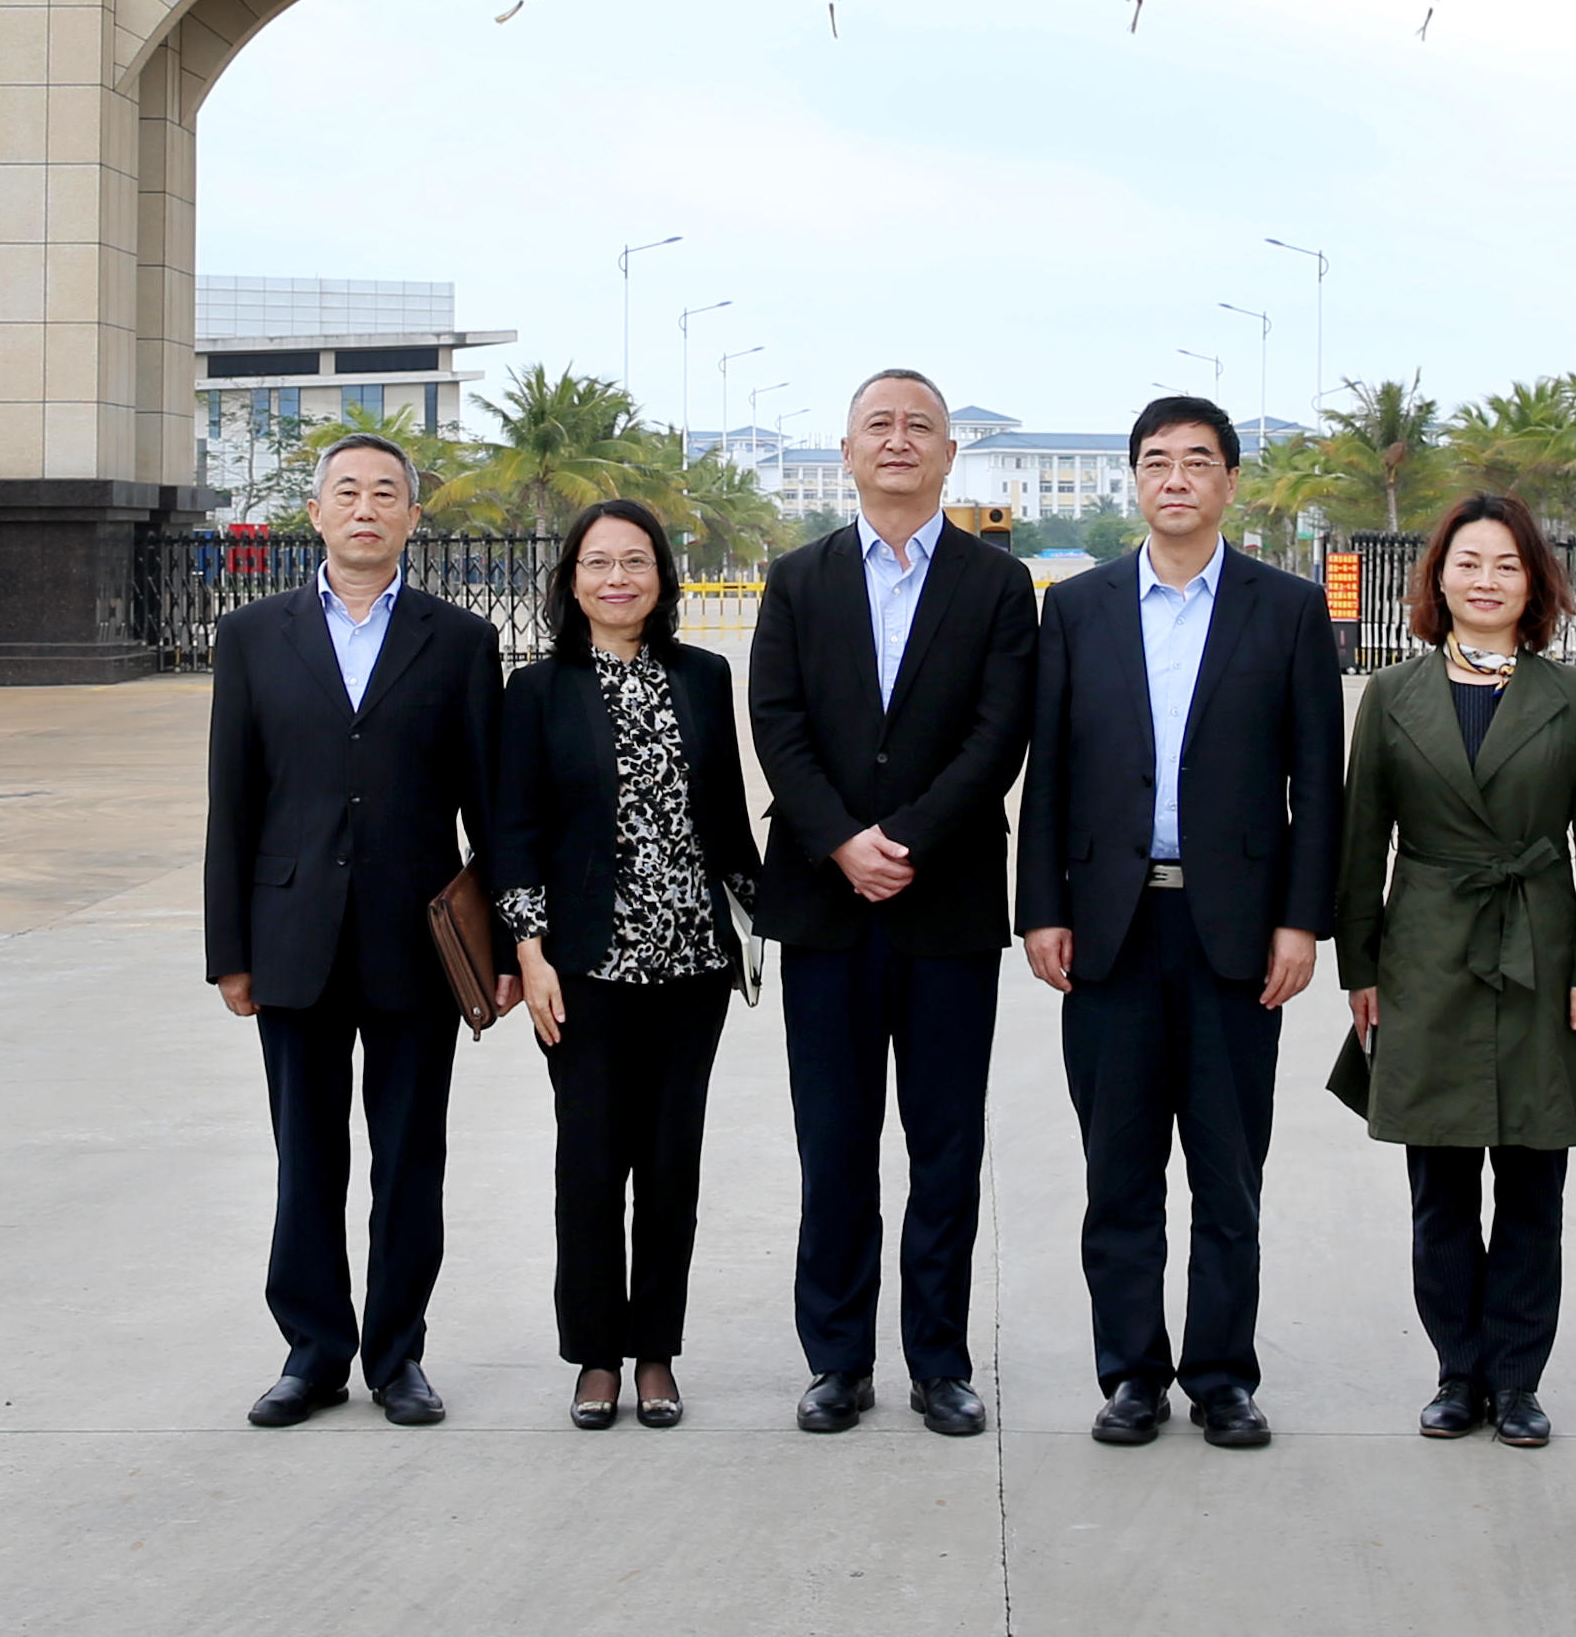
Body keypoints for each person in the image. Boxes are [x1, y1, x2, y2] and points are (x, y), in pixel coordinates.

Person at [1018, 394, 1342, 1449]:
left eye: (1196, 461)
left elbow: (1317, 785)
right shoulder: (1078, 607)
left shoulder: (1285, 609)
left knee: (1225, 1171)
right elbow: (1049, 775)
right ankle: (1131, 1373)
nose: (1174, 479)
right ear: (1134, 479)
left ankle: (1220, 1375)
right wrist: (1041, 913)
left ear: (1228, 482)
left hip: (1236, 935)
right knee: (1117, 1172)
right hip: (1108, 930)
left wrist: (1301, 922)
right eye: (1155, 461)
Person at [747, 367, 1039, 1438]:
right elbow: (775, 721)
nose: (900, 439)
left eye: (921, 425)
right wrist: (837, 840)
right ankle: (835, 1359)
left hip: (945, 903)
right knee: (833, 1143)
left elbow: (997, 731)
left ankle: (938, 1359)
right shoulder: (796, 578)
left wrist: (905, 836)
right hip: (825, 909)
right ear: (847, 451)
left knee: (944, 1143)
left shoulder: (998, 585)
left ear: (950, 453)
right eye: (880, 423)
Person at [204, 432, 512, 1431]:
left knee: (408, 1158)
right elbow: (232, 803)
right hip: (290, 937)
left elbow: (490, 813)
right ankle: (312, 1352)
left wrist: (503, 950)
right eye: (348, 491)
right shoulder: (251, 636)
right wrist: (229, 950)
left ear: (412, 519)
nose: (367, 506)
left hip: (415, 945)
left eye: (387, 493)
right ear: (317, 512)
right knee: (306, 1157)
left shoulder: (459, 641)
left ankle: (397, 1356)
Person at [1334, 493, 1576, 1449]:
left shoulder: (1572, 698)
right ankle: (1459, 1373)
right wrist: (1361, 966)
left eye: (1507, 565)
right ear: (1439, 579)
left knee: (1536, 1183)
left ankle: (1519, 1378)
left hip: (1540, 952)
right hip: (1426, 954)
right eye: (1469, 563)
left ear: (1534, 582)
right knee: (1442, 1187)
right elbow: (1359, 843)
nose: (1487, 580)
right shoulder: (1392, 696)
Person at [494, 501, 760, 1433]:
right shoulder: (536, 691)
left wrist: (772, 919)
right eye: (598, 563)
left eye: (636, 562)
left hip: (691, 970)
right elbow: (512, 833)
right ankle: (596, 1356)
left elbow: (727, 819)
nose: (618, 579)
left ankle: (657, 1354)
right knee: (592, 1162)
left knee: (671, 1165)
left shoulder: (703, 676)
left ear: (661, 577)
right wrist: (528, 953)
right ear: (572, 579)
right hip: (583, 970)